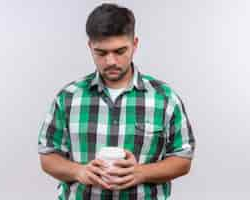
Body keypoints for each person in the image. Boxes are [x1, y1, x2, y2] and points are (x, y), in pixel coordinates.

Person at [38, 3, 195, 200]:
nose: (111, 61)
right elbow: (48, 156)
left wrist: (141, 172)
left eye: (120, 51)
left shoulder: (165, 98)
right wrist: (79, 172)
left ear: (135, 44)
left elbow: (183, 158)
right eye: (101, 53)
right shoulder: (68, 97)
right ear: (90, 47)